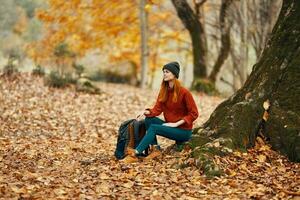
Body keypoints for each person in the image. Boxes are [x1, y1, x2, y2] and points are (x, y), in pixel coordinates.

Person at [123, 61, 199, 163]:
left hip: (183, 131)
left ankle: (136, 152)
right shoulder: (164, 91)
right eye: (163, 71)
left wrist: (176, 124)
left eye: (167, 71)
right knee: (149, 120)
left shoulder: (184, 92)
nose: (164, 74)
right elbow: (157, 110)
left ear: (174, 74)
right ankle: (156, 150)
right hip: (170, 126)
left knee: (154, 127)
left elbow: (194, 113)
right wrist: (145, 112)